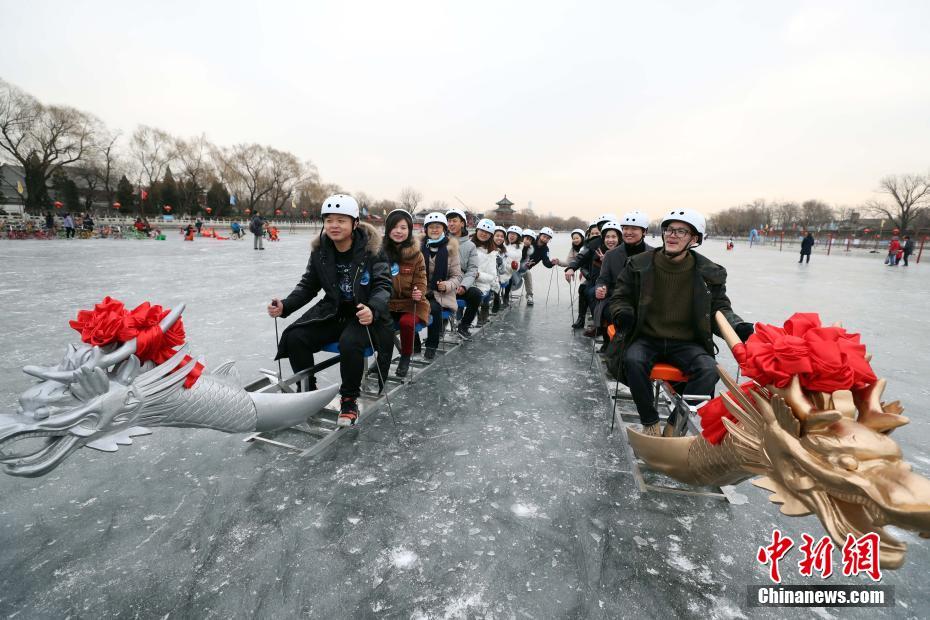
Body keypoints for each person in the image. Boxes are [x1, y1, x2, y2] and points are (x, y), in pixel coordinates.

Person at [608, 208, 754, 437]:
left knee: (709, 370)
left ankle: (676, 425)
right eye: (669, 230)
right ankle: (650, 421)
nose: (672, 235)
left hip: (687, 343)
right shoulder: (638, 264)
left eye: (681, 231)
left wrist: (737, 327)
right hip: (646, 337)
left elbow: (720, 309)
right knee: (633, 360)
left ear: (694, 239)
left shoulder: (709, 273)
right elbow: (620, 297)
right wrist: (623, 312)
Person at [268, 194, 393, 427]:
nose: (334, 226)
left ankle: (348, 401)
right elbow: (308, 286)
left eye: (341, 220)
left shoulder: (371, 250)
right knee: (295, 337)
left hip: (363, 313)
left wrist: (373, 309)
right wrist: (286, 305)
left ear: (355, 223)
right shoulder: (320, 251)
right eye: (329, 220)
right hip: (333, 312)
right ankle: (309, 391)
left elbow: (383, 285)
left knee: (350, 342)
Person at [382, 208, 429, 377]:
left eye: (403, 227)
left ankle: (406, 356)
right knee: (380, 324)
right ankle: (382, 359)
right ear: (388, 229)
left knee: (407, 323)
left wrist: (419, 292)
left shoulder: (416, 254)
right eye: (394, 227)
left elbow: (421, 279)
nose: (398, 231)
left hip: (412, 303)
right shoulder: (379, 252)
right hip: (387, 303)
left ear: (409, 230)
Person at [592, 211, 652, 334]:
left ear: (644, 231)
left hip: (646, 303)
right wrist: (600, 289)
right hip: (616, 300)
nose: (628, 232)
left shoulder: (655, 254)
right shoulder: (610, 255)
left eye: (634, 228)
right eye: (625, 228)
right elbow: (602, 279)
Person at [420, 212, 463, 359]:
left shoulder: (451, 250)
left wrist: (447, 285)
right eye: (431, 227)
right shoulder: (418, 247)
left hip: (441, 294)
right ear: (426, 229)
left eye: (438, 227)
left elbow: (457, 276)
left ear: (444, 229)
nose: (434, 230)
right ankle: (413, 345)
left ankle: (432, 344)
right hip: (421, 290)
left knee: (434, 307)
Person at [446, 208, 480, 339]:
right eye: (449, 221)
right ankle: (439, 328)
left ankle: (464, 325)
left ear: (462, 223)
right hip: (445, 284)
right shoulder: (442, 241)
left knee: (476, 294)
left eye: (454, 221)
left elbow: (472, 269)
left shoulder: (470, 245)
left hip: (461, 284)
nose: (451, 224)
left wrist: (464, 286)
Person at [518, 226, 560, 307]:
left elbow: (546, 262)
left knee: (528, 273)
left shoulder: (545, 249)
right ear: (540, 235)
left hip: (524, 269)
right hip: (515, 263)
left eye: (547, 238)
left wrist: (552, 263)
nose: (545, 239)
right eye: (544, 236)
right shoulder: (531, 240)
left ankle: (529, 296)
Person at [471, 218, 502, 326]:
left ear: (491, 235)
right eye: (482, 231)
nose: (484, 234)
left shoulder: (491, 253)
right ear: (477, 230)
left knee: (476, 295)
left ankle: (482, 311)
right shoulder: (468, 245)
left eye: (487, 233)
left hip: (480, 284)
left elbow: (492, 276)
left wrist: (479, 275)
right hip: (463, 281)